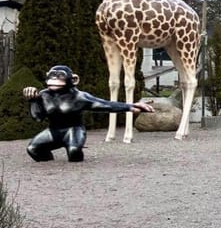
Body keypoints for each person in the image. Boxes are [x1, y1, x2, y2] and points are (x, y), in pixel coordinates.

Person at [23, 65, 155, 162]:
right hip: (53, 131)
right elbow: (38, 117)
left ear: (73, 80)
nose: (55, 80)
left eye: (60, 76)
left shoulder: (79, 97)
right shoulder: (44, 95)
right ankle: (49, 164)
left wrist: (130, 107)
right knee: (33, 149)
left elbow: (105, 105)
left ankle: (77, 162)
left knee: (74, 153)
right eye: (52, 76)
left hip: (73, 130)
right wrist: (33, 101)